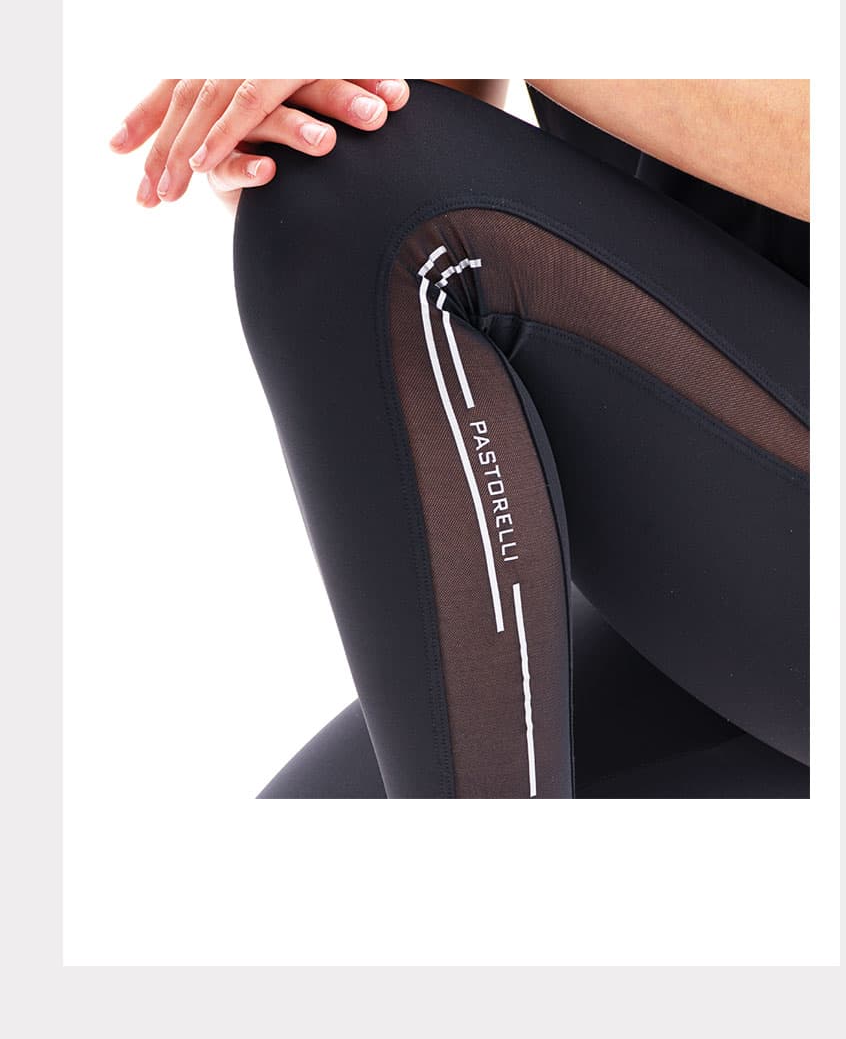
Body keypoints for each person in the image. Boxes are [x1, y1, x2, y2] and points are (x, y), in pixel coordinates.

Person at [111, 78, 810, 798]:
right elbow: (397, 160)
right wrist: (293, 110)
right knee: (340, 186)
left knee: (373, 207)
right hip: (718, 559)